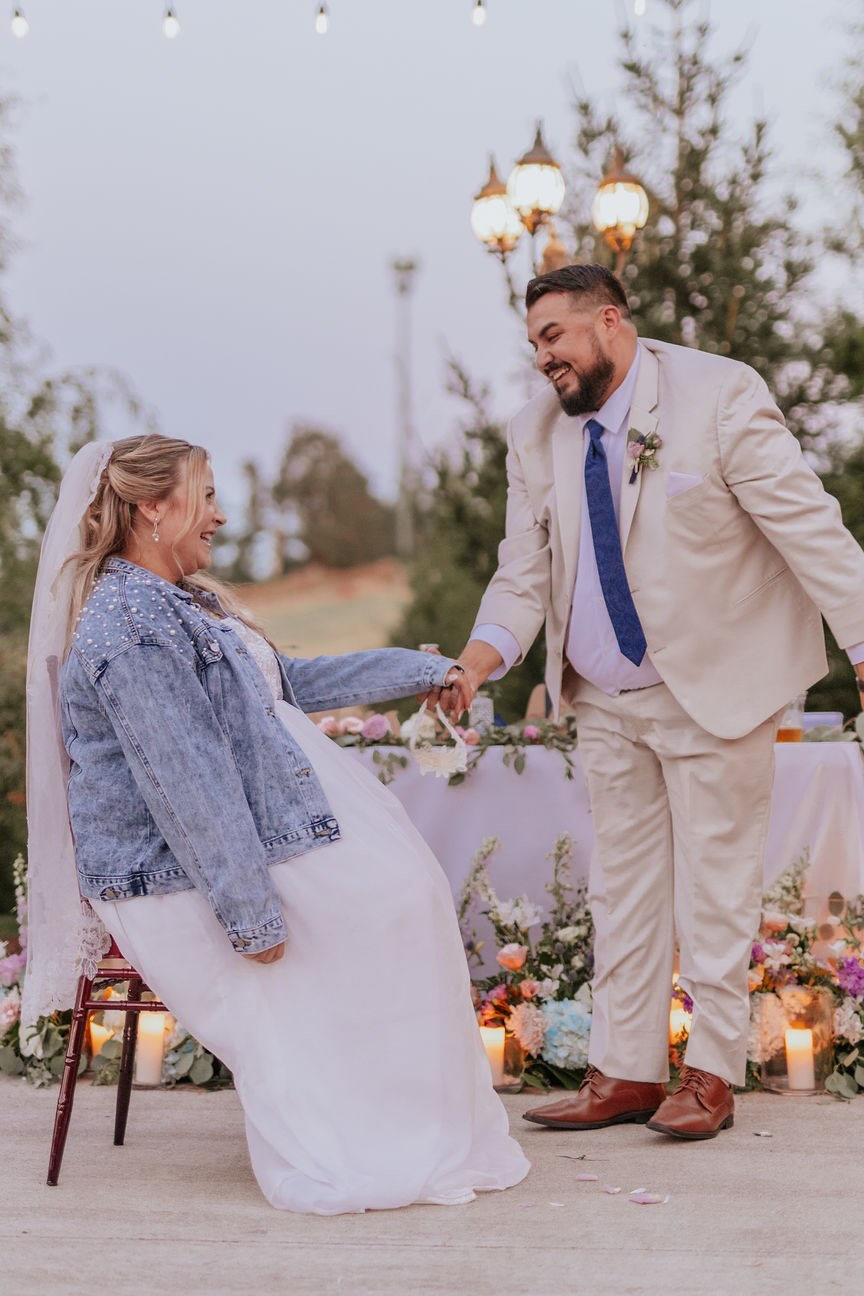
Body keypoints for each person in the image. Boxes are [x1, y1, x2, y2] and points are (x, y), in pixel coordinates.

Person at [23, 434, 529, 1213]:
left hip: (236, 832)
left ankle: (402, 1119)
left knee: (407, 895)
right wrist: (250, 916)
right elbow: (188, 787)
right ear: (152, 507)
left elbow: (288, 682)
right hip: (175, 869)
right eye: (207, 497)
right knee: (380, 907)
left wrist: (422, 670)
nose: (221, 517)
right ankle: (368, 1135)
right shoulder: (129, 627)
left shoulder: (183, 601)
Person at [442, 263, 864, 1141]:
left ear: (610, 320)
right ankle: (626, 1073)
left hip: (715, 685)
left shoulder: (718, 395)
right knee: (621, 890)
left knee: (715, 888)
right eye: (532, 345)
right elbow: (522, 575)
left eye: (554, 336)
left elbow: (807, 523)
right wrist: (476, 665)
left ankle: (710, 1073)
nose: (543, 359)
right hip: (602, 698)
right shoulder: (534, 435)